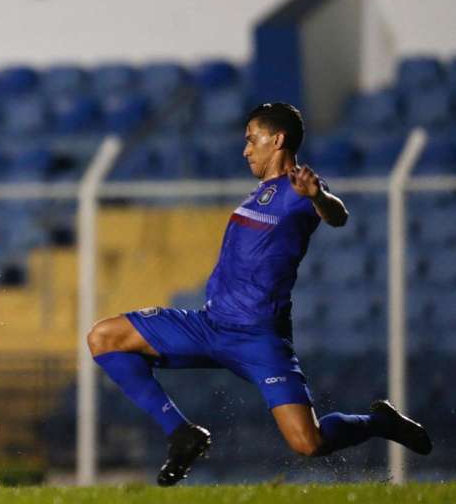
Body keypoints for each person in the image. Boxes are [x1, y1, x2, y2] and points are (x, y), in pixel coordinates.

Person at [87, 102, 432, 486]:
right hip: (209, 325)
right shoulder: (258, 193)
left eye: (252, 140)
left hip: (258, 338)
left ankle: (379, 422)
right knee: (105, 337)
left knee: (308, 443)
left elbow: (338, 215)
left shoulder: (300, 189)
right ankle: (182, 434)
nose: (245, 149)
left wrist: (317, 197)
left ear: (277, 139)